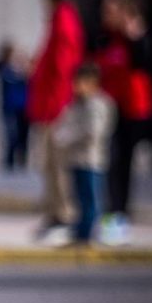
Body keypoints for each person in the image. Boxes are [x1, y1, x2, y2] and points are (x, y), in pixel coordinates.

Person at [93, 0, 152, 245]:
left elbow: (145, 66)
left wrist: (136, 37)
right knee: (110, 161)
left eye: (111, 11)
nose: (106, 16)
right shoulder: (106, 38)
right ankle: (113, 210)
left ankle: (119, 211)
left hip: (131, 107)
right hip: (110, 105)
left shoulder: (134, 37)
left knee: (122, 161)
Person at [27, 0, 85, 245]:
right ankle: (54, 215)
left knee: (58, 164)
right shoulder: (60, 20)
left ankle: (63, 216)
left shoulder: (64, 20)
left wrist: (57, 106)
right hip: (49, 105)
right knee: (48, 164)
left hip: (56, 106)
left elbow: (64, 68)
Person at [52, 63, 115, 245]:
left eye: (79, 82)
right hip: (76, 160)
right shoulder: (77, 104)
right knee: (78, 200)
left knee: (91, 201)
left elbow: (93, 132)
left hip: (91, 161)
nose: (76, 86)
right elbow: (65, 123)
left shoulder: (98, 104)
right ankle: (79, 233)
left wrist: (68, 137)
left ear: (92, 82)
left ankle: (87, 236)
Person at [0, 40, 30, 172]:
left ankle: (22, 161)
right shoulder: (5, 69)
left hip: (24, 108)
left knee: (23, 137)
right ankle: (9, 163)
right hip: (9, 108)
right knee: (10, 136)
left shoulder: (26, 72)